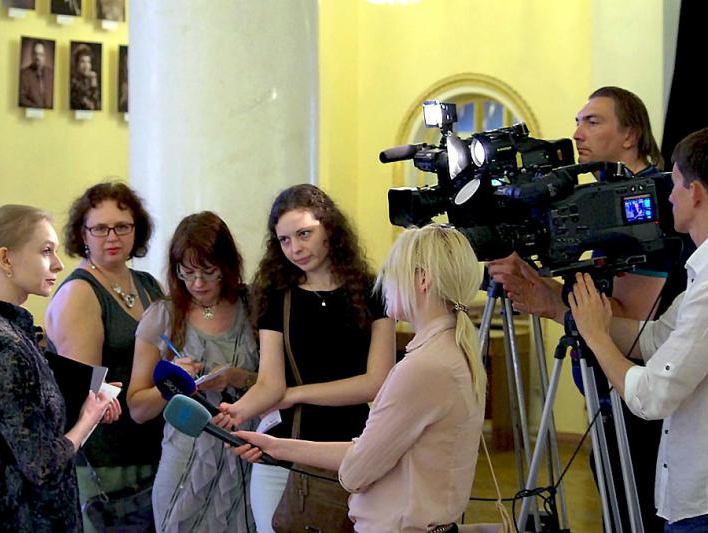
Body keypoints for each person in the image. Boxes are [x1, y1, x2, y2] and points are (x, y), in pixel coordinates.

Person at [487, 86, 691, 533]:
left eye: (593, 122)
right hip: (610, 398)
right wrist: (536, 282)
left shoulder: (648, 206)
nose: (577, 133)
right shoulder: (602, 201)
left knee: (636, 513)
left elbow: (632, 325)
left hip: (639, 405)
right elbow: (593, 304)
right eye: (578, 122)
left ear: (630, 135)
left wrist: (551, 300)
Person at [231, 224, 487, 532]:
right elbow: (367, 451)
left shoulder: (424, 367)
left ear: (423, 279)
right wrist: (277, 446)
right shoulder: (448, 352)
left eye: (391, 272)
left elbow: (357, 471)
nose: (384, 284)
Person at [216, 184, 396, 532]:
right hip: (284, 449)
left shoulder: (373, 291)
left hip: (354, 449)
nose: (295, 249)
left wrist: (297, 393)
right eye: (284, 240)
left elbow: (376, 382)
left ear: (329, 227)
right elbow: (270, 384)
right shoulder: (276, 295)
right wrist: (236, 412)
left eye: (304, 234)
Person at [567, 127, 708, 531]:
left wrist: (597, 338)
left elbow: (654, 396)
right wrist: (582, 315)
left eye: (675, 185)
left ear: (696, 193)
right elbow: (656, 338)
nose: (669, 197)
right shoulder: (699, 275)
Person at [0, 205, 120, 531]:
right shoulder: (4, 346)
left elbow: (16, 422)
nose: (58, 264)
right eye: (45, 251)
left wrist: (87, 396)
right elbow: (43, 466)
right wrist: (89, 418)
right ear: (5, 259)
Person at [127, 211, 260, 532]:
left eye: (209, 272)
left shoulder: (254, 306)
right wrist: (172, 381)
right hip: (185, 462)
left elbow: (277, 384)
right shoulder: (163, 315)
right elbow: (137, 409)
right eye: (187, 273)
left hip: (245, 456)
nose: (198, 283)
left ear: (227, 266)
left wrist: (237, 377)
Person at [45, 182, 164, 532]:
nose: (112, 237)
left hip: (152, 445)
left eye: (122, 227)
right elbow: (85, 395)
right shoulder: (80, 293)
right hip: (106, 462)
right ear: (83, 234)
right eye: (100, 228)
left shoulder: (148, 284)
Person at [19, 39, 53, 109]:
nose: (38, 57)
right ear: (31, 55)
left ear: (44, 56)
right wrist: (37, 108)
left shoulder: (51, 74)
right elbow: (21, 98)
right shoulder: (23, 74)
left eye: (41, 54)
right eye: (35, 53)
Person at [70, 44, 100, 111]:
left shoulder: (91, 79)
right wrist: (93, 88)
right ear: (76, 64)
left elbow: (97, 106)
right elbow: (91, 106)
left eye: (88, 62)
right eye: (82, 62)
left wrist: (94, 84)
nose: (86, 66)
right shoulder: (73, 83)